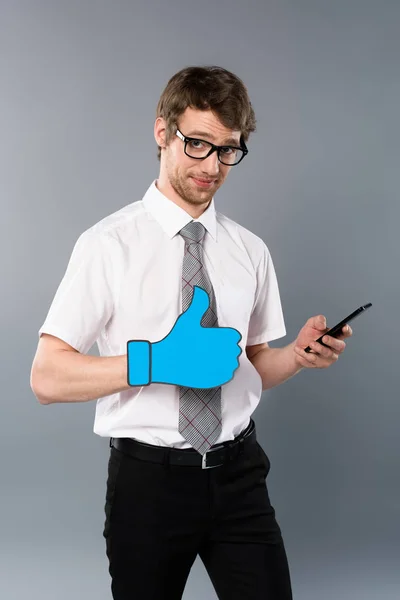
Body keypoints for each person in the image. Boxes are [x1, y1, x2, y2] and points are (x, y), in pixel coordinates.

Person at [30, 65, 353, 600]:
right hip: (149, 483)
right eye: (197, 144)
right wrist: (156, 361)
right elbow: (46, 377)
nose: (213, 165)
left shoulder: (249, 251)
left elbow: (251, 364)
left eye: (228, 149)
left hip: (239, 476)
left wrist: (296, 355)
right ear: (162, 132)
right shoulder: (107, 245)